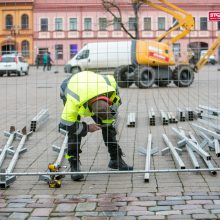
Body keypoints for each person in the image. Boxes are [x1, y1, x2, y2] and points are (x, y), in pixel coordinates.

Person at [59, 71, 133, 181]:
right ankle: (74, 166)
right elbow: (64, 126)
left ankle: (115, 160)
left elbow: (117, 102)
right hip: (72, 89)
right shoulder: (73, 101)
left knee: (109, 126)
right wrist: (87, 128)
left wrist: (112, 113)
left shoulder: (111, 85)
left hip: (93, 88)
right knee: (74, 131)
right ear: (91, 110)